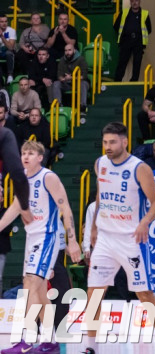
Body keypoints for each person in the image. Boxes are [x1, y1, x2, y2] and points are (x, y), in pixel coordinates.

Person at [83, 122, 155, 354]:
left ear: (124, 142)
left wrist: (144, 222)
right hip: (105, 238)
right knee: (94, 293)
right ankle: (90, 347)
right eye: (105, 142)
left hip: (130, 239)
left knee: (144, 294)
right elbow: (100, 195)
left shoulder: (140, 168)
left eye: (112, 142)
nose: (108, 146)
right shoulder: (100, 164)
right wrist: (94, 228)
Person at [0, 141, 80, 354]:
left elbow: (66, 208)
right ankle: (50, 341)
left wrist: (72, 240)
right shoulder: (23, 179)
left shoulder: (48, 177)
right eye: (23, 153)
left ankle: (26, 341)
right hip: (31, 238)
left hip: (47, 237)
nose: (25, 156)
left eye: (30, 153)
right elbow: (15, 208)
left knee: (30, 285)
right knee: (40, 290)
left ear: (40, 158)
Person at [114, 0, 151, 82]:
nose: (134, 3)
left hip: (139, 42)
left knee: (137, 62)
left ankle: (134, 81)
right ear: (130, 3)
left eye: (136, 0)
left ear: (140, 2)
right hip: (126, 41)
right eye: (132, 1)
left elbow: (149, 29)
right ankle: (117, 81)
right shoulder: (124, 12)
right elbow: (116, 26)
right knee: (122, 62)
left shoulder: (145, 13)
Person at [55, 42, 89, 111]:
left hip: (78, 83)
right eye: (66, 50)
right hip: (66, 83)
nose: (67, 52)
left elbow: (84, 76)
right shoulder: (62, 60)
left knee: (83, 84)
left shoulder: (81, 59)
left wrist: (72, 78)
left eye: (69, 50)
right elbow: (59, 75)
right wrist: (63, 79)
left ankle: (82, 106)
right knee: (56, 84)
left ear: (74, 50)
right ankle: (58, 105)